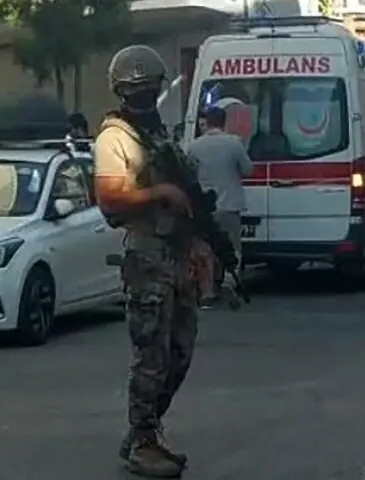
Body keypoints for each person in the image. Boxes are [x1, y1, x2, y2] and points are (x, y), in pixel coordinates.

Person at [94, 44, 199, 478]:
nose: (143, 94)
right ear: (120, 90)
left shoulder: (157, 133)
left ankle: (147, 432)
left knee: (179, 353)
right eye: (135, 88)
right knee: (151, 354)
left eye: (149, 87)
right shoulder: (115, 137)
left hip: (175, 254)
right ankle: (141, 441)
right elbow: (109, 197)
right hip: (146, 257)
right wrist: (160, 194)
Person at [187, 106, 253, 306]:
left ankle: (207, 291)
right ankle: (228, 282)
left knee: (205, 249)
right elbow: (248, 170)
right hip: (229, 205)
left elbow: (187, 173)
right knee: (232, 247)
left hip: (204, 207)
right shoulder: (234, 143)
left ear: (206, 122)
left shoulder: (194, 146)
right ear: (224, 122)